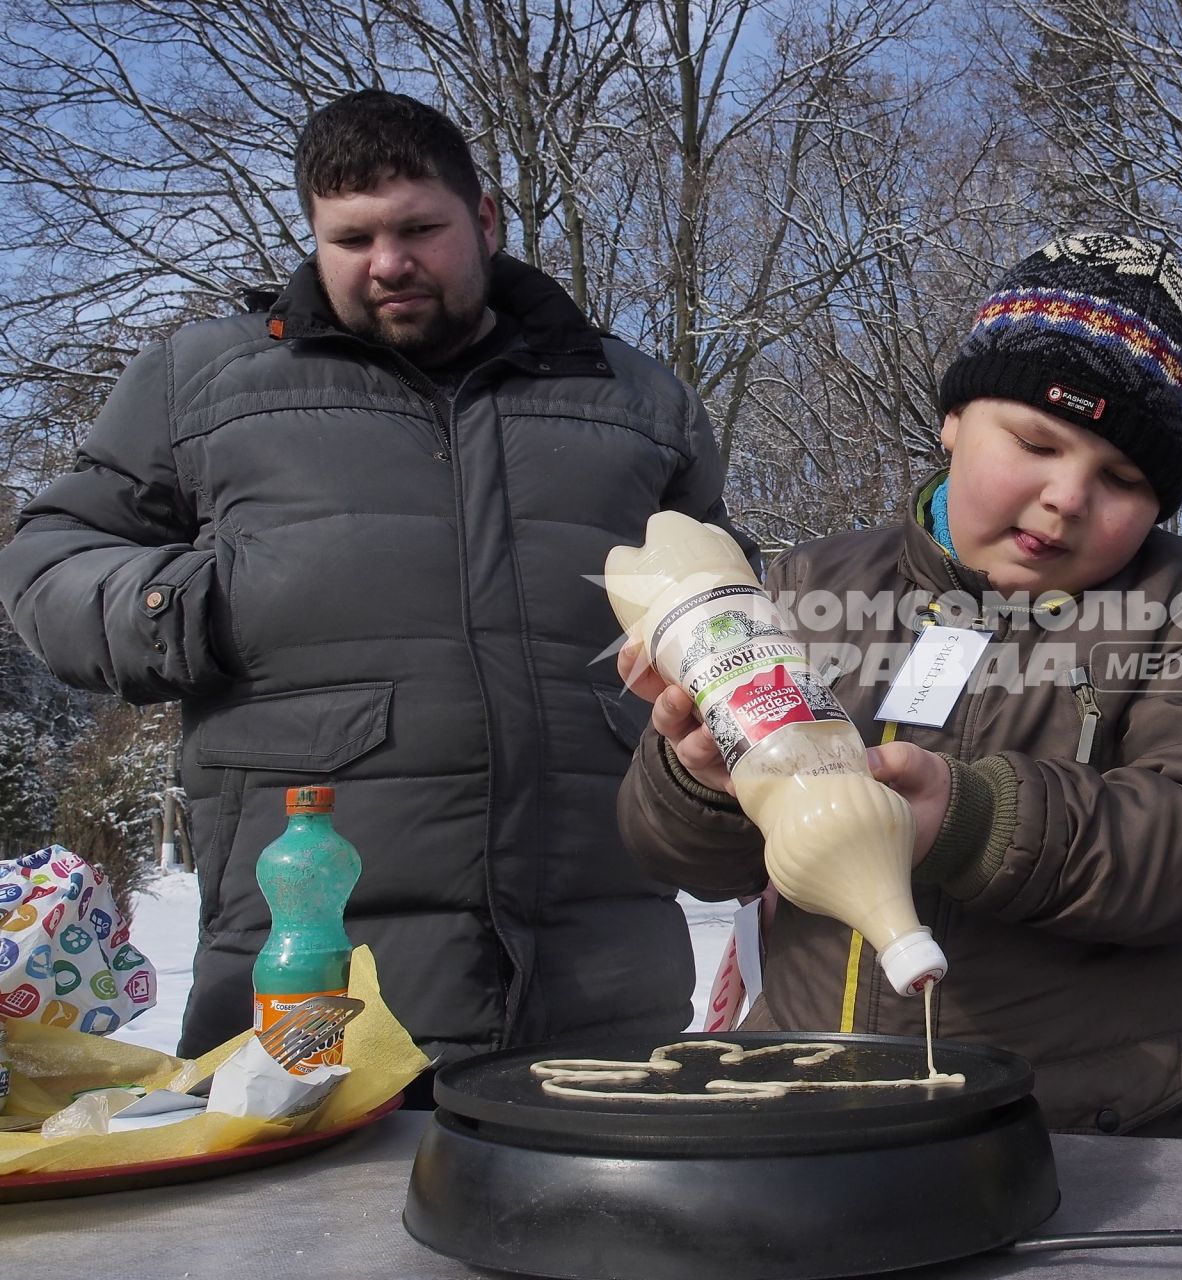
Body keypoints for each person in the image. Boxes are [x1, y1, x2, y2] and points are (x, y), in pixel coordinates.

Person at [0, 90, 751, 1073]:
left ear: (483, 220)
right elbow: (48, 559)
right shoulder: (203, 383)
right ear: (312, 237)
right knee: (311, 1228)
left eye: (418, 229)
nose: (387, 262)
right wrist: (196, 605)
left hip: (606, 983)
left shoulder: (637, 400)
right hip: (311, 990)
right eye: (349, 238)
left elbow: (732, 600)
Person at [618, 233, 1182, 1137]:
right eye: (1036, 442)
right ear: (952, 420)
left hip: (1069, 1130)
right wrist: (699, 785)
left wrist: (973, 823)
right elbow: (676, 853)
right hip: (801, 1104)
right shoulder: (811, 588)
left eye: (1122, 477)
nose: (1066, 497)